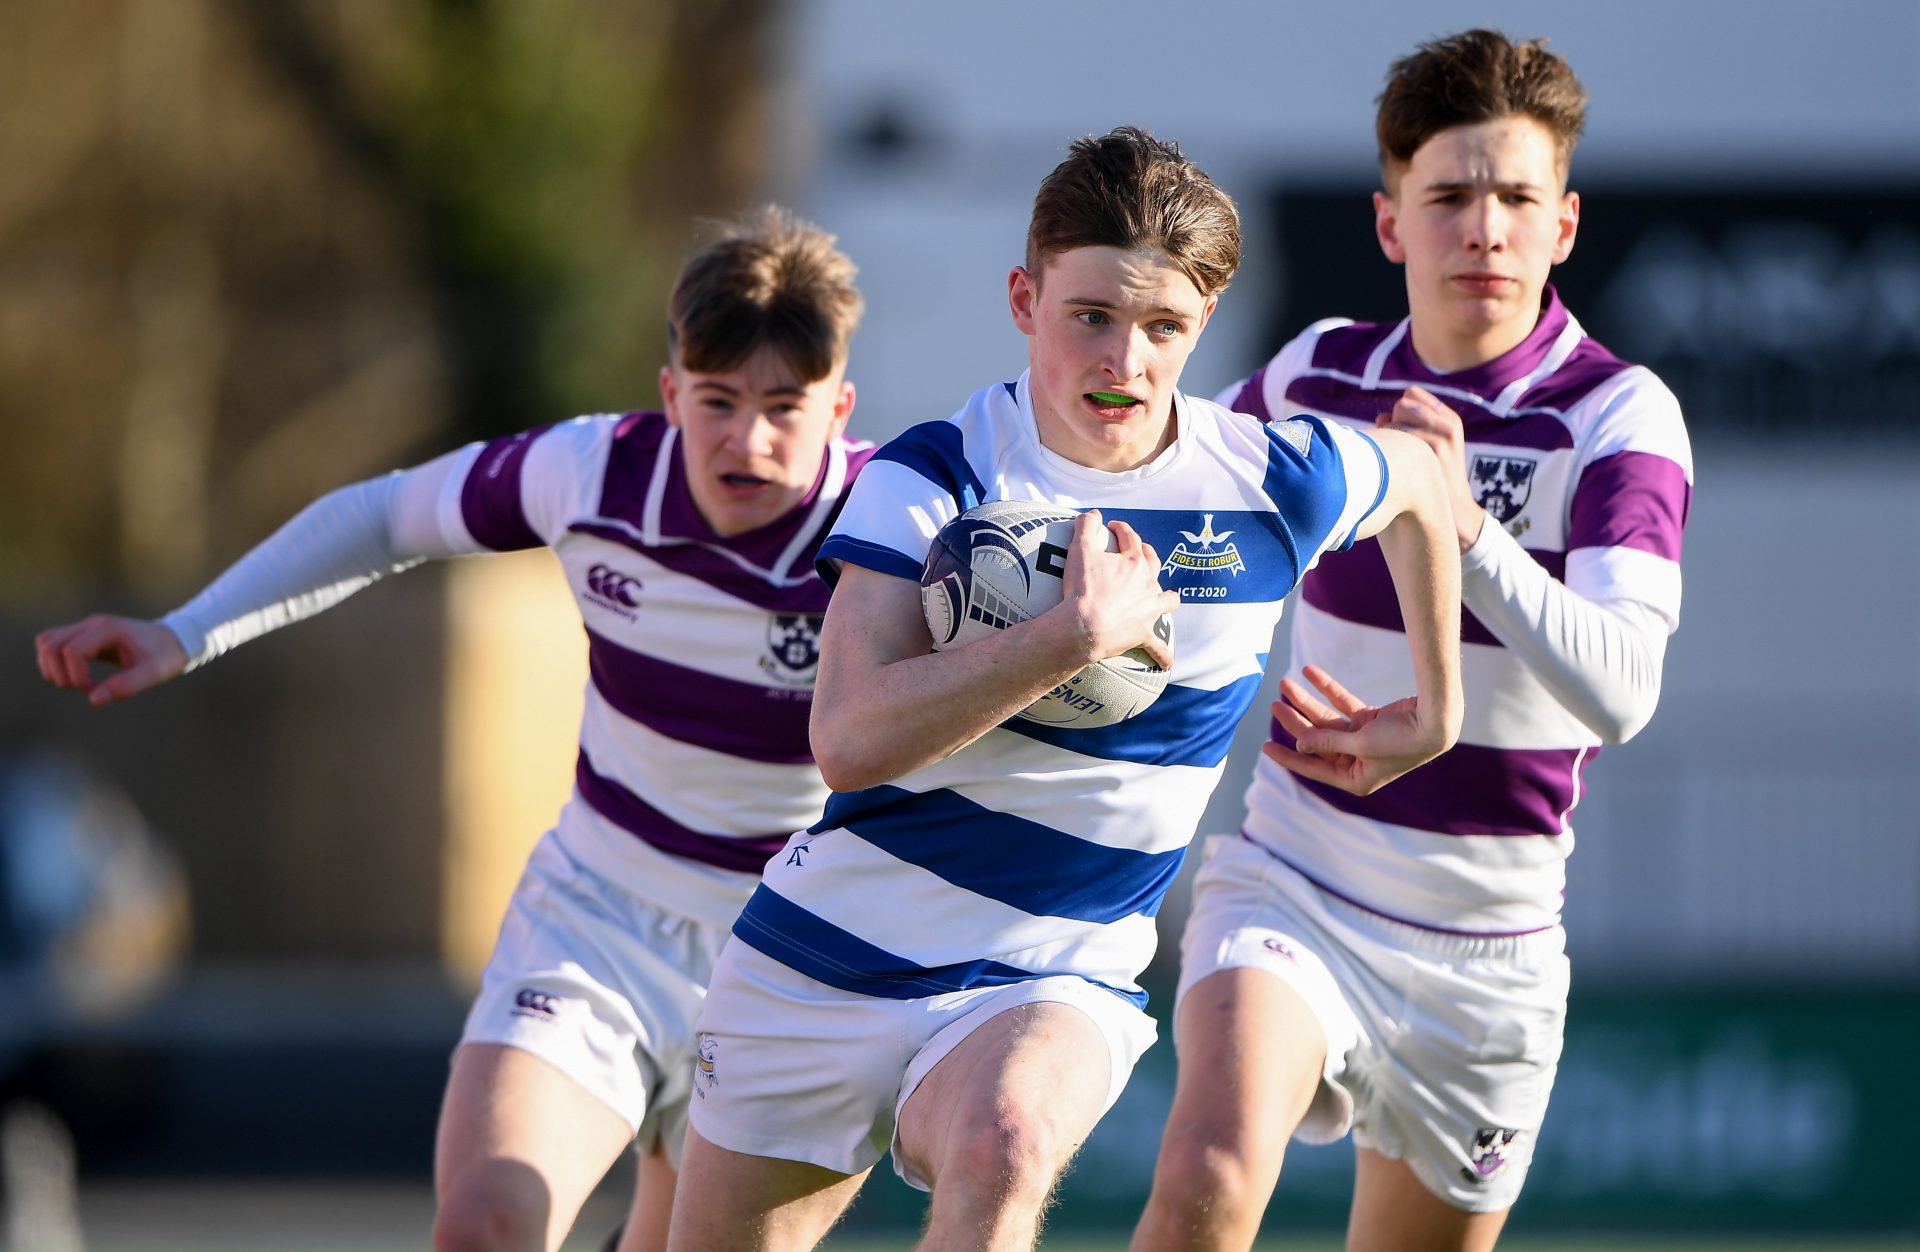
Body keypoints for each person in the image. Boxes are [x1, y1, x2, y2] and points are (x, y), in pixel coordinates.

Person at [662, 127, 1463, 1252]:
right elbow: (847, 737)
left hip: (1054, 967)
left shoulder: (1274, 482)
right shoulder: (938, 473)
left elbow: (1426, 477)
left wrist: (1439, 709)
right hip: (824, 960)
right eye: (1090, 315)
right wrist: (1071, 635)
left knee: (1007, 1141)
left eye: (1163, 327)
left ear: (1204, 327)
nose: (1123, 361)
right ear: (1024, 299)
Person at [34, 207, 871, 1252]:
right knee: (483, 1225)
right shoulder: (592, 475)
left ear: (839, 407)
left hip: (788, 959)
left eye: (784, 408)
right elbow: (383, 516)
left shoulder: (891, 528)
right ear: (669, 395)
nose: (747, 439)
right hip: (600, 920)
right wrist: (185, 631)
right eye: (717, 402)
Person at [1132, 30, 1695, 1252]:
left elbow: (1621, 692)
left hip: (1489, 953)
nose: (1483, 228)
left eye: (1515, 197)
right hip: (1298, 878)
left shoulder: (1617, 415)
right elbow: (1180, 527)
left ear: (1566, 224)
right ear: (1391, 223)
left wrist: (1465, 529)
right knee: (1211, 1175)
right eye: (1448, 196)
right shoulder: (1313, 374)